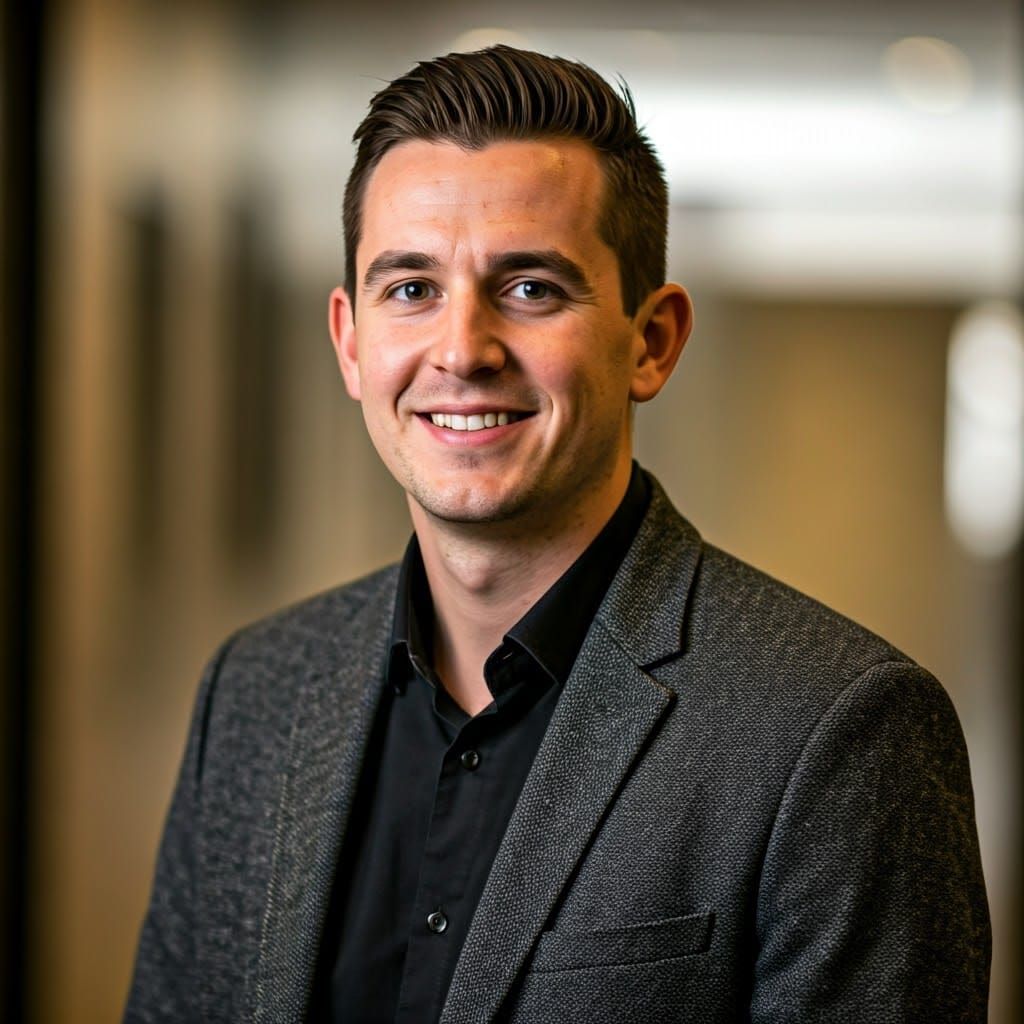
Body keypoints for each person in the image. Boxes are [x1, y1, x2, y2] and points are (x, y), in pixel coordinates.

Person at [124, 46, 990, 1023]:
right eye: (410, 288)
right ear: (351, 342)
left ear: (651, 340)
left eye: (530, 287)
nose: (461, 349)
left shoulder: (836, 732)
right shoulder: (254, 694)